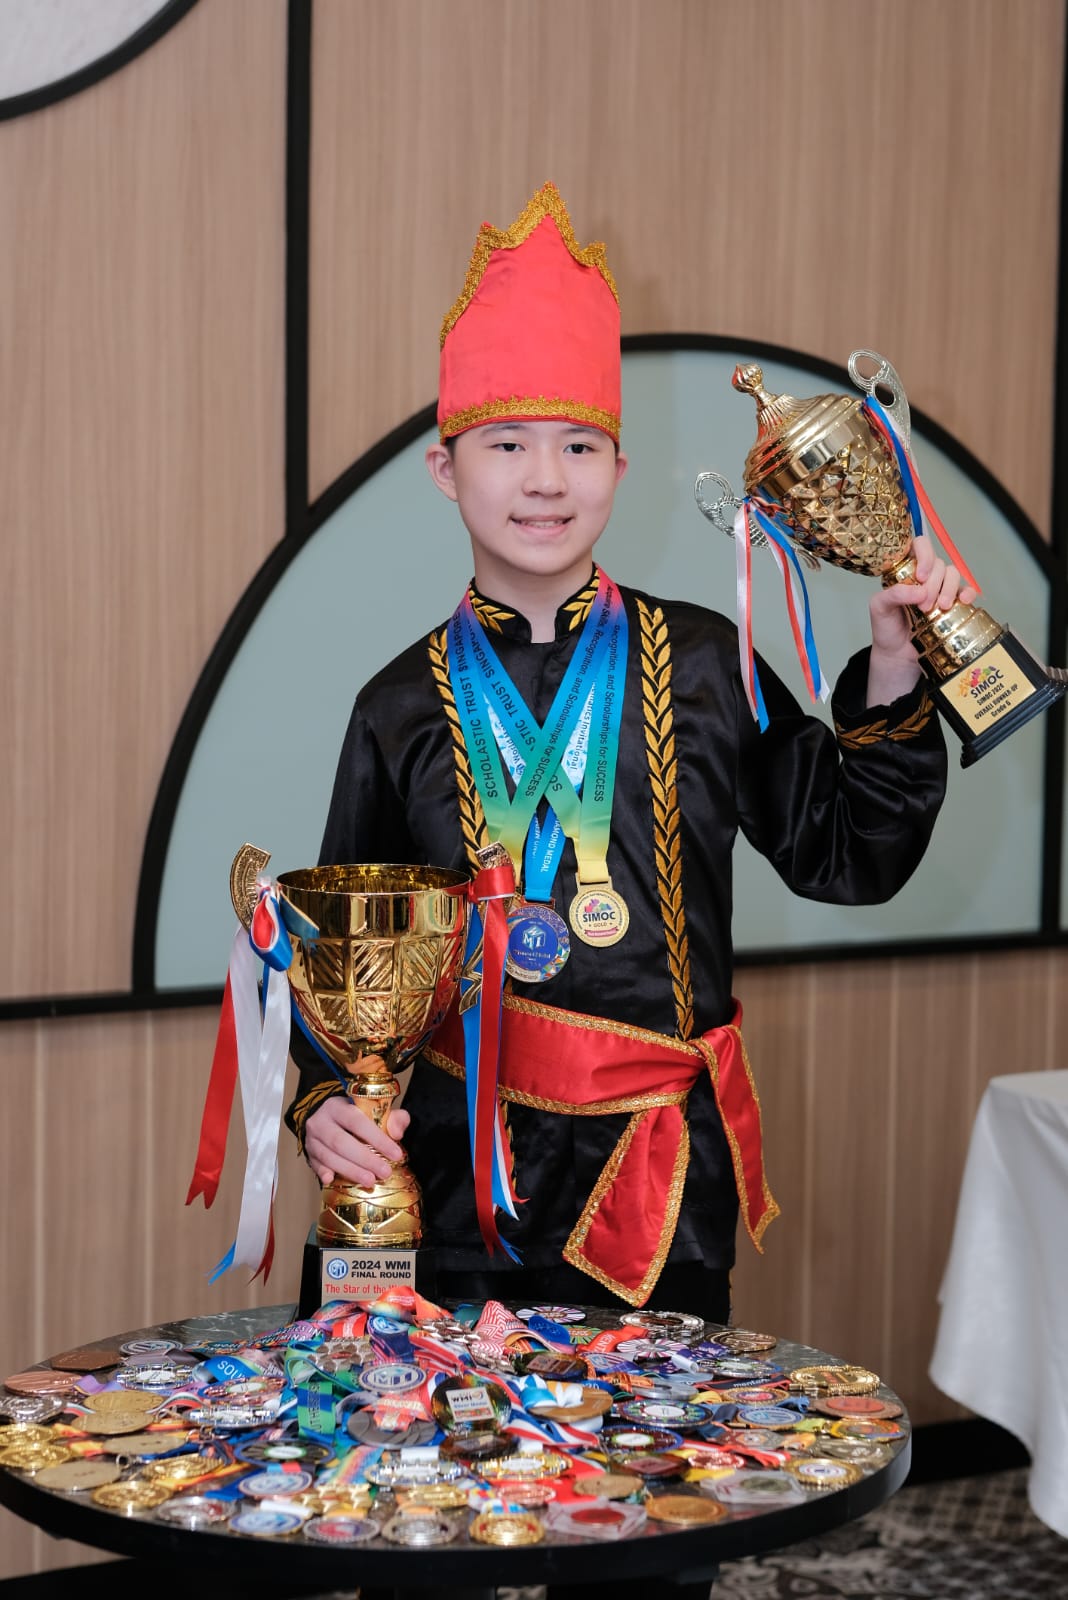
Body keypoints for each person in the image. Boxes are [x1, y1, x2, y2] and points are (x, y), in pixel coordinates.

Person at [286, 177, 966, 1354]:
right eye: (507, 445)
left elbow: (847, 853)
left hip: (654, 1197)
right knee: (447, 1460)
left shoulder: (705, 662)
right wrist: (324, 1106)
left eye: (578, 446)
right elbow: (342, 959)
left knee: (655, 1462)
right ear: (446, 469)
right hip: (450, 1190)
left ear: (620, 465)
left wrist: (898, 668)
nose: (545, 479)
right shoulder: (398, 706)